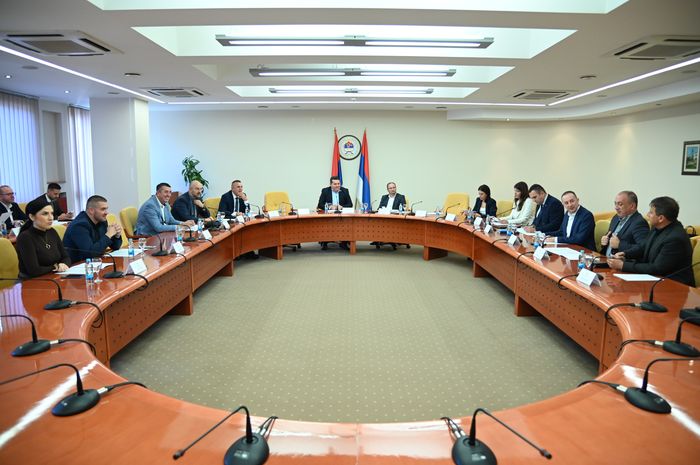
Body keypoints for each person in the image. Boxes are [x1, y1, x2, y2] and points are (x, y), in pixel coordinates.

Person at [608, 197, 695, 286]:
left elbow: (657, 268)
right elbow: (643, 247)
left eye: (651, 212)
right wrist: (625, 254)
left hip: (675, 286)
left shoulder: (675, 238)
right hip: (655, 280)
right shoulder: (657, 228)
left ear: (661, 218)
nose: (647, 215)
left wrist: (623, 265)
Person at [16, 198, 70, 277]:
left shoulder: (52, 231)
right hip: (32, 281)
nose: (51, 218)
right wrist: (56, 267)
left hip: (53, 276)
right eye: (45, 214)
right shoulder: (25, 237)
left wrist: (63, 264)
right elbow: (34, 270)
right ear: (32, 217)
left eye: (52, 213)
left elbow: (66, 257)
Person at [63, 195, 123, 262]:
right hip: (78, 264)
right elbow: (90, 253)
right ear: (91, 210)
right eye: (103, 209)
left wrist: (117, 236)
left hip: (95, 262)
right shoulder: (79, 226)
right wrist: (108, 235)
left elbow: (115, 247)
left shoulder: (102, 221)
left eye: (106, 209)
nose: (107, 212)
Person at [600, 191, 649, 256]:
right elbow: (610, 237)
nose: (616, 208)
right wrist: (604, 241)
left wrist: (619, 245)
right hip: (604, 258)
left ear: (632, 206)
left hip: (621, 261)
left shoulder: (639, 222)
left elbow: (643, 248)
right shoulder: (616, 217)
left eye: (620, 204)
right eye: (615, 204)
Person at [317, 176, 353, 250]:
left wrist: (342, 207)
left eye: (338, 184)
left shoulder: (345, 191)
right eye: (335, 184)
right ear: (331, 184)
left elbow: (350, 204)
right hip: (328, 215)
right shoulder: (325, 191)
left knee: (347, 223)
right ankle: (325, 241)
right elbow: (320, 204)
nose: (337, 185)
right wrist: (330, 207)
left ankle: (344, 242)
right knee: (325, 224)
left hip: (342, 215)